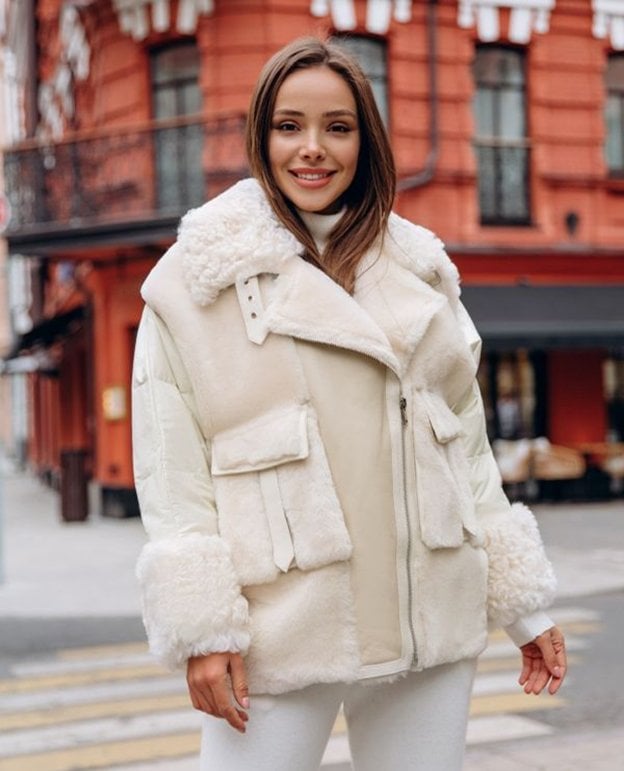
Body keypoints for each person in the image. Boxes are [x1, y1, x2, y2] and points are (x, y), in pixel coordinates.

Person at [132, 37, 566, 771]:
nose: (313, 149)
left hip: (430, 620)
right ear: (260, 135)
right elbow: (173, 474)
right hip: (279, 630)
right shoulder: (194, 283)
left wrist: (524, 604)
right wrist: (203, 629)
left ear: (367, 140)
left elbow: (466, 448)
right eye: (289, 125)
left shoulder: (421, 272)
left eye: (338, 127)